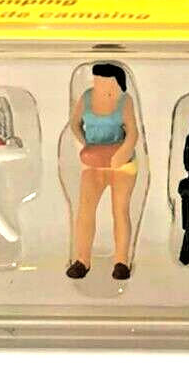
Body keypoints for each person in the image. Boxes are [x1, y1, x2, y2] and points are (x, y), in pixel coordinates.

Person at [67, 62, 139, 281]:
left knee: (120, 209)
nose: (100, 86)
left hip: (121, 164)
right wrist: (86, 145)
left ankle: (121, 261)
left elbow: (133, 133)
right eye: (97, 81)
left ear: (117, 84)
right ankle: (82, 259)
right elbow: (74, 124)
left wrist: (121, 154)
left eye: (106, 83)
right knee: (85, 209)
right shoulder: (87, 98)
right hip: (94, 164)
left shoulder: (125, 101)